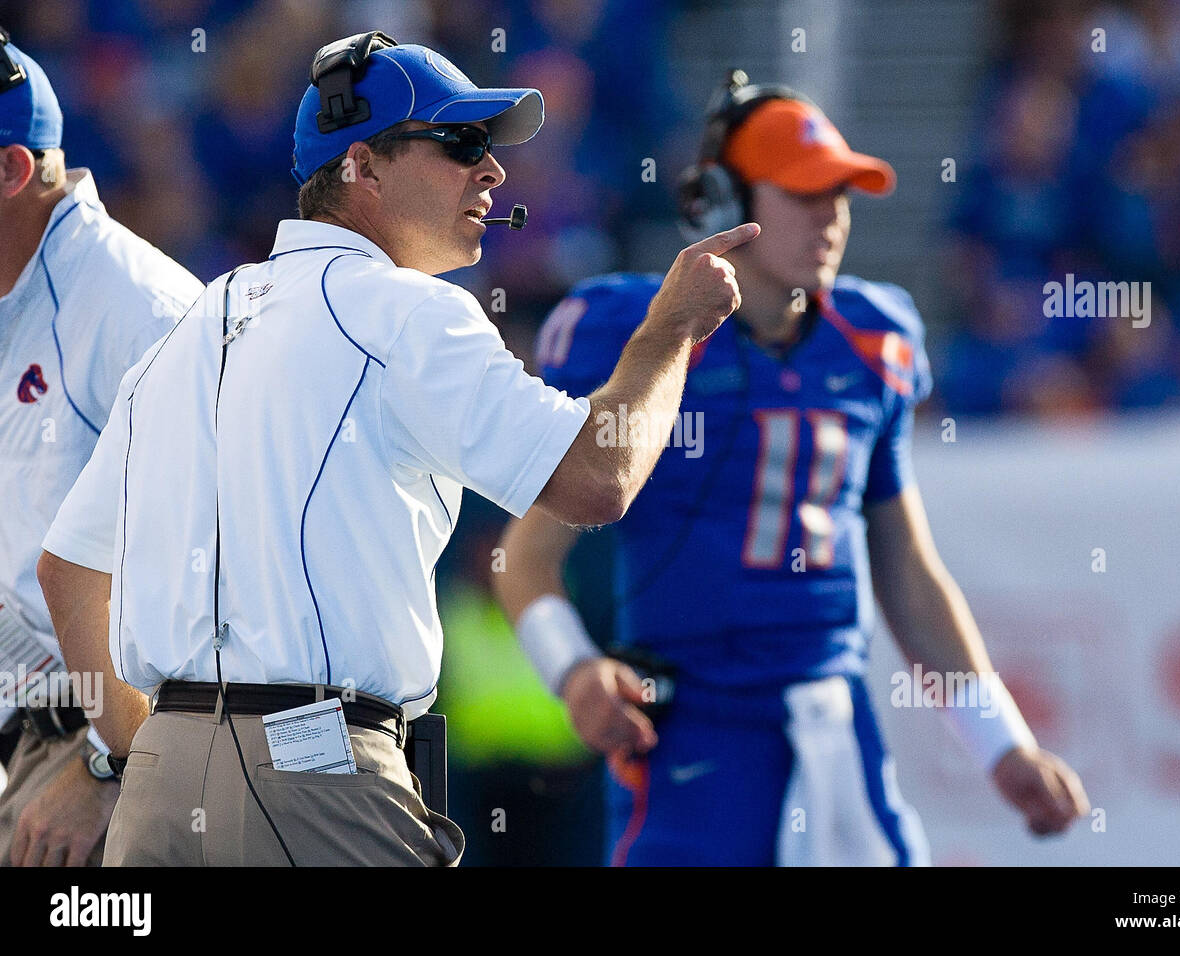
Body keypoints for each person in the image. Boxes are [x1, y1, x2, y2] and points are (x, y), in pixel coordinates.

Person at [36, 32, 756, 867]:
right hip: (316, 778)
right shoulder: (411, 312)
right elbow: (599, 479)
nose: (491, 172)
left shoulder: (192, 321)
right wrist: (672, 330)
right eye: (459, 144)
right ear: (362, 170)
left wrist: (146, 755)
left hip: (158, 799)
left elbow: (71, 569)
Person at [493, 72, 1091, 866]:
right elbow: (523, 555)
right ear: (720, 203)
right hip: (692, 738)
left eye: (840, 194)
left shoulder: (877, 337)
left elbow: (907, 569)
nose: (831, 217)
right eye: (804, 193)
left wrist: (1002, 745)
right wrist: (572, 671)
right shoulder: (632, 329)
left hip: (837, 729)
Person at [0, 29, 202, 867]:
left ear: (10, 171)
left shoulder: (141, 308)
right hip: (29, 757)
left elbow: (224, 574)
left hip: (109, 767)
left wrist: (107, 761)